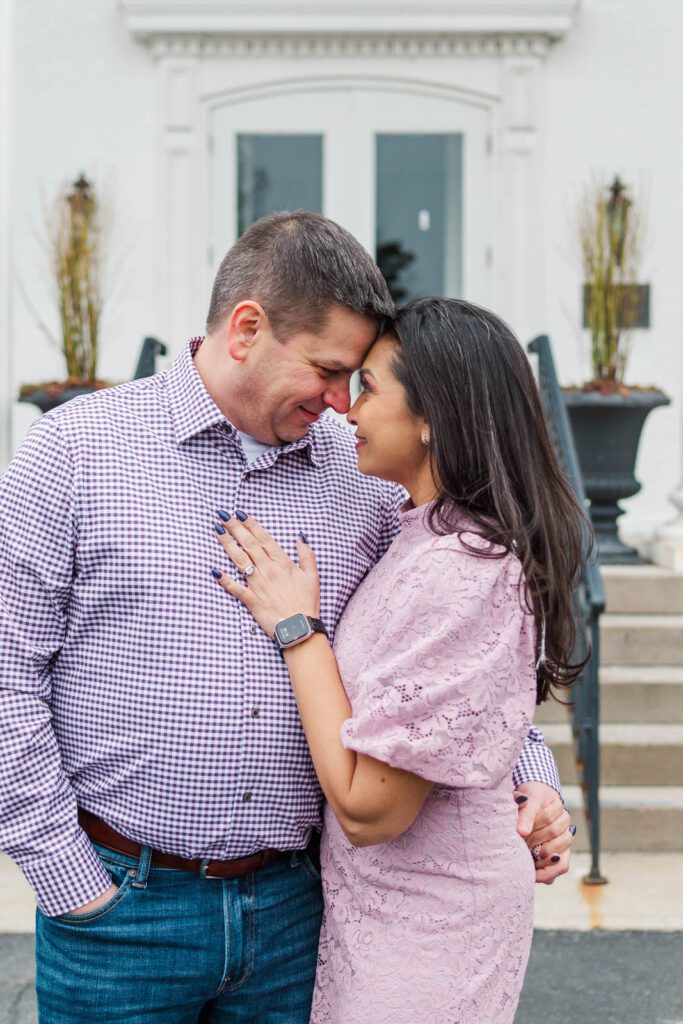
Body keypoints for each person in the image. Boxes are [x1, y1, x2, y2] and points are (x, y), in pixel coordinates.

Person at [0, 213, 572, 1024]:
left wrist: (529, 775)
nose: (342, 404)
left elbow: (442, 663)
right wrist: (71, 881)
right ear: (246, 329)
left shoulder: (369, 474)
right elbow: (7, 672)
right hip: (120, 916)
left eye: (360, 383)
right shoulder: (75, 451)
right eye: (330, 371)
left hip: (298, 914)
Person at [210, 297, 587, 1023]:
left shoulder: (461, 568)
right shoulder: (421, 536)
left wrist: (300, 630)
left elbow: (368, 808)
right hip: (379, 912)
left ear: (431, 419)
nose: (346, 409)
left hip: (429, 925)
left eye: (370, 387)